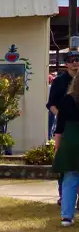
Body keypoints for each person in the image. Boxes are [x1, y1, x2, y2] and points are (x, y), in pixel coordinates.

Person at [48, 51, 79, 204]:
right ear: (66, 63)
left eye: (77, 60)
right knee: (65, 160)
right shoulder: (59, 81)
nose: (75, 63)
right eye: (71, 60)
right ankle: (63, 195)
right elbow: (51, 104)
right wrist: (62, 116)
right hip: (65, 124)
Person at [53, 73, 79, 226]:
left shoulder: (67, 100)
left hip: (70, 140)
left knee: (70, 177)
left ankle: (67, 216)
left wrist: (58, 147)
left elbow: (59, 127)